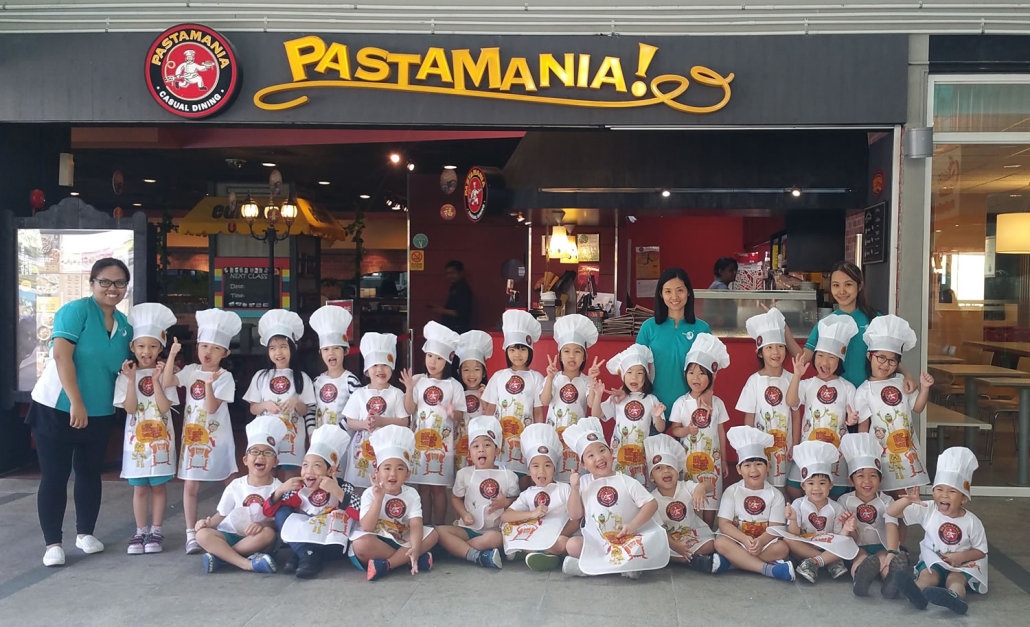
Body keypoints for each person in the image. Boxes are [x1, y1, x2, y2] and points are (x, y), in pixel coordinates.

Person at [29, 258, 133, 567]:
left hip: (99, 410)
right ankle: (52, 543)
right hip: (58, 407)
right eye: (105, 282)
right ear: (92, 283)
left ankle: (85, 533)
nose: (112, 289)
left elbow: (123, 367)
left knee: (89, 472)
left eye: (119, 283)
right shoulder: (75, 311)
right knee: (55, 475)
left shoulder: (124, 325)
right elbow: (62, 356)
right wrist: (76, 401)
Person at [165, 308, 242, 554]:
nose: (208, 352)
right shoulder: (190, 370)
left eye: (215, 348)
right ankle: (191, 532)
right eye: (204, 346)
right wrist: (172, 355)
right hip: (193, 439)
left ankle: (230, 525)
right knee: (190, 485)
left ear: (225, 353)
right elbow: (167, 381)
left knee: (229, 481)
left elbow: (211, 407)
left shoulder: (225, 376)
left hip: (218, 439)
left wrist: (208, 384)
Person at [560, 417, 669, 578]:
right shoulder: (583, 483)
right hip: (599, 542)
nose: (599, 458)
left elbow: (651, 504)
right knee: (572, 545)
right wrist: (575, 489)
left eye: (602, 450)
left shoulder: (626, 481)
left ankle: (588, 568)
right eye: (590, 455)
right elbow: (575, 515)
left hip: (626, 539)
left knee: (648, 542)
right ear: (583, 464)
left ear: (611, 453)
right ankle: (623, 566)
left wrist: (633, 525)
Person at [788, 261, 917, 394]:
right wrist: (784, 328)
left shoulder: (875, 319)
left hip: (870, 395)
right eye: (836, 285)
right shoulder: (826, 323)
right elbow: (803, 358)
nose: (842, 291)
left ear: (859, 285)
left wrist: (907, 375)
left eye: (848, 284)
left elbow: (889, 354)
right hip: (837, 396)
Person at [890, 447, 988, 615]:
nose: (944, 495)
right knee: (927, 577)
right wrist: (907, 501)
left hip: (960, 565)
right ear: (933, 491)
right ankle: (916, 594)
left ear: (964, 498)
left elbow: (981, 551)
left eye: (952, 491)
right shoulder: (928, 509)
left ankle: (955, 598)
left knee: (955, 580)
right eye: (939, 489)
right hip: (934, 560)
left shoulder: (972, 522)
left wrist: (962, 557)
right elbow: (892, 512)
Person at [115, 302, 178, 555]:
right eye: (141, 346)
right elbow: (130, 408)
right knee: (140, 488)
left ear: (161, 348)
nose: (146, 351)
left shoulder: (166, 374)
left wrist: (156, 381)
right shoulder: (125, 376)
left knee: (159, 487)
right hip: (136, 444)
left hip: (161, 442)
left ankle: (156, 530)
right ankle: (140, 531)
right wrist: (132, 380)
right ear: (132, 347)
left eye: (153, 346)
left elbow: (163, 407)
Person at [264, 424, 360, 579]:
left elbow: (361, 514)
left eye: (316, 466)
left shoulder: (343, 486)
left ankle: (301, 554)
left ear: (331, 470)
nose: (309, 471)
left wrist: (337, 492)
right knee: (282, 511)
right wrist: (280, 490)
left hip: (331, 543)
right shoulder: (299, 488)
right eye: (305, 465)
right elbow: (269, 511)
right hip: (305, 537)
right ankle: (306, 554)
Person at [853, 314, 933, 493]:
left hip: (907, 453)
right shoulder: (864, 390)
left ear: (898, 363)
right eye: (880, 357)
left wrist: (925, 388)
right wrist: (864, 457)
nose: (885, 364)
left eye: (892, 360)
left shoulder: (902, 382)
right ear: (870, 356)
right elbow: (863, 429)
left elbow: (918, 408)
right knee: (885, 496)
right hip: (881, 455)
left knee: (906, 498)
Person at [195, 415, 283, 574]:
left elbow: (278, 522)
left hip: (255, 539)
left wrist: (262, 525)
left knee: (268, 535)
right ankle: (246, 563)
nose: (260, 456)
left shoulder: (279, 488)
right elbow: (222, 514)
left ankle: (222, 556)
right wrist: (206, 524)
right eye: (254, 452)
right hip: (229, 535)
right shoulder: (236, 485)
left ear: (276, 462)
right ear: (245, 460)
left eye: (267, 453)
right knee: (202, 535)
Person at [785, 316, 861, 499]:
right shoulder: (808, 384)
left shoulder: (847, 387)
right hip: (809, 449)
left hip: (837, 450)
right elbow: (791, 402)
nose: (824, 362)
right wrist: (796, 376)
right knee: (794, 487)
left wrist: (851, 421)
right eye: (820, 356)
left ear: (840, 360)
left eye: (831, 357)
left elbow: (852, 417)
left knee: (835, 490)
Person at [351, 425, 437, 581]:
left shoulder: (411, 494)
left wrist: (415, 547)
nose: (393, 474)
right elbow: (367, 527)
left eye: (400, 469)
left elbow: (416, 524)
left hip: (402, 538)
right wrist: (379, 498)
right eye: (387, 468)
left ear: (408, 474)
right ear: (377, 472)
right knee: (360, 545)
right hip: (379, 540)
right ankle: (410, 560)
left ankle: (387, 564)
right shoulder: (369, 493)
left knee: (433, 535)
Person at [400, 321, 465, 525]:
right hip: (420, 445)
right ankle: (425, 526)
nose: (433, 362)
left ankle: (440, 527)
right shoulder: (418, 380)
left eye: (438, 358)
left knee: (438, 489)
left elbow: (460, 416)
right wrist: (409, 389)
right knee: (422, 488)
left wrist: (452, 412)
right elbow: (409, 410)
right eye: (429, 356)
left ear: (448, 361)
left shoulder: (454, 386)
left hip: (442, 446)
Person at [436, 416, 520, 569]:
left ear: (497, 451)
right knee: (439, 531)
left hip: (492, 530)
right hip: (467, 529)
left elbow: (517, 500)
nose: (481, 449)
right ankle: (476, 554)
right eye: (475, 446)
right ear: (469, 453)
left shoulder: (509, 476)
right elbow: (455, 498)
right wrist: (464, 514)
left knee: (496, 539)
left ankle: (457, 550)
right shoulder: (464, 474)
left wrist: (505, 502)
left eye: (487, 445)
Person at [713, 426, 794, 581]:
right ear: (738, 469)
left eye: (759, 464)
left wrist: (760, 541)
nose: (754, 470)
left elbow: (776, 528)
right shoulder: (732, 491)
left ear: (768, 466)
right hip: (738, 540)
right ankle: (768, 569)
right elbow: (724, 524)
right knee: (720, 543)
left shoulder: (776, 495)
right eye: (747, 465)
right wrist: (744, 539)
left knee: (782, 548)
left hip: (763, 543)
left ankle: (733, 562)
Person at [771, 440, 858, 583]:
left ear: (831, 485)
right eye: (811, 483)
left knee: (847, 541)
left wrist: (847, 529)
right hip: (805, 548)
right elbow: (794, 534)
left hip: (828, 547)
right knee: (788, 540)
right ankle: (829, 562)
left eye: (822, 483)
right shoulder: (798, 504)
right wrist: (793, 519)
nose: (816, 488)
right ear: (803, 486)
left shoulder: (836, 507)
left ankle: (813, 563)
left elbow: (839, 537)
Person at [243, 309, 316, 478]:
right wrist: (265, 405)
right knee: (268, 474)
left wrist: (296, 402)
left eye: (283, 347)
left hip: (293, 437)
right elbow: (253, 408)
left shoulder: (302, 378)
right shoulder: (261, 376)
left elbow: (305, 411)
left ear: (293, 348)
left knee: (292, 475)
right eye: (273, 348)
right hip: (266, 437)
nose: (278, 353)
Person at [667, 333, 730, 525]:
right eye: (691, 372)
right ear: (685, 374)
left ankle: (709, 531)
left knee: (712, 500)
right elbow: (674, 430)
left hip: (712, 461)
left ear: (711, 377)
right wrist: (687, 430)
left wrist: (724, 460)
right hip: (688, 462)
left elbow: (721, 432)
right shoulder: (681, 403)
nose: (696, 378)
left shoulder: (718, 403)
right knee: (692, 499)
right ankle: (694, 532)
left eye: (702, 373)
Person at [636, 267, 711, 418]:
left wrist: (708, 392)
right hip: (655, 404)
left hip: (691, 403)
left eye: (680, 290)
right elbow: (635, 363)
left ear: (688, 292)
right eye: (668, 291)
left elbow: (711, 367)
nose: (674, 297)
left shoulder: (702, 328)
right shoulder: (649, 327)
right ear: (661, 294)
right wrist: (625, 391)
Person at [837, 432, 905, 598]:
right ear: (851, 480)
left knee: (884, 559)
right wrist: (849, 527)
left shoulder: (887, 501)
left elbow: (891, 525)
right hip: (857, 546)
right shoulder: (845, 501)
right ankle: (860, 579)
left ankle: (891, 582)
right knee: (860, 558)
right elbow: (843, 536)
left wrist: (892, 551)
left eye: (873, 476)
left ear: (881, 479)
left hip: (881, 545)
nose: (867, 481)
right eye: (860, 476)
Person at [644, 434, 724, 574]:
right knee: (653, 548)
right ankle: (687, 559)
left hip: (691, 534)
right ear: (651, 477)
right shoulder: (652, 499)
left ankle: (681, 558)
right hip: (669, 539)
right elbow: (660, 530)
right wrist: (676, 546)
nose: (666, 471)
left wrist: (701, 487)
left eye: (670, 467)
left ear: (678, 470)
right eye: (659, 468)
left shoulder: (686, 487)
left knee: (711, 545)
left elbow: (710, 485)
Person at [481, 309, 546, 480]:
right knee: (501, 478)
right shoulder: (498, 376)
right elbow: (490, 410)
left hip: (525, 438)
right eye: (512, 350)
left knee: (524, 479)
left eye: (522, 349)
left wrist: (538, 438)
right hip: (501, 439)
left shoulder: (536, 377)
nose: (517, 355)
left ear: (530, 350)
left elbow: (538, 412)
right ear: (506, 351)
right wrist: (487, 437)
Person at [737, 308, 797, 489]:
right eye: (769, 347)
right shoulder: (753, 381)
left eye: (780, 346)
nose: (775, 352)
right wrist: (749, 447)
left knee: (782, 485)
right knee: (761, 484)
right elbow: (749, 417)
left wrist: (795, 444)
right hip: (760, 447)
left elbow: (796, 414)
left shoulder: (791, 378)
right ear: (760, 352)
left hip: (784, 445)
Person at [500, 424, 574, 571]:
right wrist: (532, 514)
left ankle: (529, 551)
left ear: (554, 468)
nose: (541, 471)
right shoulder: (528, 493)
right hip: (534, 533)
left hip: (556, 535)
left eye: (547, 465)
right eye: (535, 466)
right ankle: (544, 553)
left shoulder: (564, 489)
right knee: (507, 528)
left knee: (563, 542)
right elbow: (505, 516)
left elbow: (576, 519)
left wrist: (557, 535)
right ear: (528, 469)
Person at [589, 344, 666, 485]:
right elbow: (596, 414)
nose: (634, 377)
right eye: (629, 372)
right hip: (618, 457)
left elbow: (660, 428)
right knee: (619, 487)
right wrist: (598, 395)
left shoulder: (651, 399)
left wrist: (657, 416)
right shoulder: (618, 398)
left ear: (646, 376)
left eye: (639, 373)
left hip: (641, 459)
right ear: (623, 376)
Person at [342, 333, 409, 489]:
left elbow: (404, 421)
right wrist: (364, 424)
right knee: (360, 487)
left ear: (392, 367)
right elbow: (350, 421)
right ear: (367, 369)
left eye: (385, 364)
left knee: (385, 487)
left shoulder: (397, 393)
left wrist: (382, 421)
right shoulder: (359, 393)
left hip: (388, 450)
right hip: (362, 449)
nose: (380, 369)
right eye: (374, 365)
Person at [541, 314, 604, 481]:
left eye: (577, 352)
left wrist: (592, 382)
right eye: (566, 351)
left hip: (576, 439)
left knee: (574, 478)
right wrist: (549, 378)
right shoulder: (553, 378)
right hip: (554, 436)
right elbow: (545, 401)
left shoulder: (586, 380)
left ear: (584, 357)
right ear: (560, 355)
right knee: (552, 477)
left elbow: (592, 406)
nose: (571, 356)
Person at [309, 304, 362, 430]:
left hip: (344, 438)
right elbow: (311, 409)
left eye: (336, 348)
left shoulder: (351, 381)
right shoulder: (317, 381)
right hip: (320, 438)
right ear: (320, 352)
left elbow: (356, 410)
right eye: (326, 349)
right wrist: (311, 432)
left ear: (346, 351)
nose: (331, 353)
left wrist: (336, 433)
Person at [453, 330, 493, 472]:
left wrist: (484, 400)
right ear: (459, 372)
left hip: (481, 445)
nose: (471, 374)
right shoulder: (456, 393)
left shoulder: (489, 393)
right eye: (466, 370)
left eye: (476, 369)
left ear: (484, 372)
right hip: (461, 442)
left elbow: (491, 417)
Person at [430, 259, 473, 333]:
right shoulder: (455, 287)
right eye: (448, 273)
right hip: (452, 329)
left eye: (452, 273)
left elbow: (460, 313)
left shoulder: (463, 289)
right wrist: (441, 309)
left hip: (458, 329)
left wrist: (441, 310)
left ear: (461, 273)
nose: (449, 276)